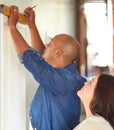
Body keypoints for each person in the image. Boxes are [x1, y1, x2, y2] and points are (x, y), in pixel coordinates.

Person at [7, 5, 86, 130]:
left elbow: (33, 61)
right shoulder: (63, 73)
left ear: (58, 53)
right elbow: (43, 54)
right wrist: (31, 25)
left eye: (51, 42)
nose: (47, 44)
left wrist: (12, 27)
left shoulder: (65, 82)